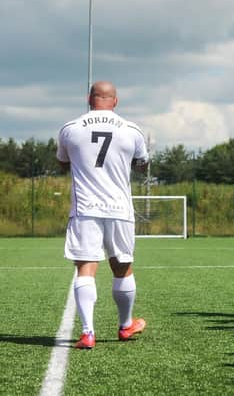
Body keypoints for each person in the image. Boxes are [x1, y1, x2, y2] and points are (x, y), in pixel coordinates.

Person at [57, 81, 149, 349]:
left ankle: (87, 333)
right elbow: (142, 163)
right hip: (120, 209)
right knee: (122, 267)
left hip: (86, 208)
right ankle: (125, 325)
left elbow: (62, 162)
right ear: (116, 101)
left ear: (89, 99)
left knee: (86, 267)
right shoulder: (131, 130)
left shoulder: (70, 129)